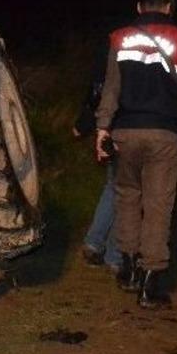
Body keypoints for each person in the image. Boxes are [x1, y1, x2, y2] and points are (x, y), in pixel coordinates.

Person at [95, 0, 177, 309]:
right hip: (165, 135)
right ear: (168, 8)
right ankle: (151, 283)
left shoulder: (119, 38)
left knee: (126, 199)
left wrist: (102, 128)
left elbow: (110, 88)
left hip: (125, 133)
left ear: (139, 7)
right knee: (158, 205)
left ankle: (128, 269)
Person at [74, 49, 121, 272]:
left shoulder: (113, 52)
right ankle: (115, 255)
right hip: (131, 129)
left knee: (114, 189)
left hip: (113, 130)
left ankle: (94, 243)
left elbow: (97, 92)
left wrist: (82, 124)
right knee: (130, 194)